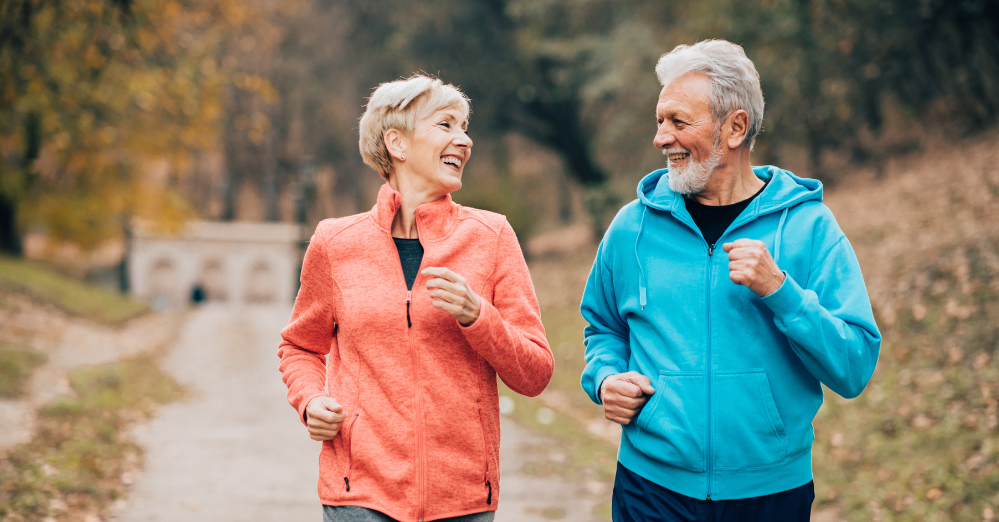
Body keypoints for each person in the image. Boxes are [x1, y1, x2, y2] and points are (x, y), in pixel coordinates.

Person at [579, 40, 881, 521]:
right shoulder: (631, 228)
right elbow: (603, 327)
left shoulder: (808, 228)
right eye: (659, 121)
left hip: (770, 495)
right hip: (650, 489)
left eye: (678, 122)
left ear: (735, 127)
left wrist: (781, 293)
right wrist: (605, 377)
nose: (661, 138)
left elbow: (854, 365)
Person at [278, 75, 553, 522]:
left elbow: (536, 373)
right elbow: (300, 346)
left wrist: (477, 317)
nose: (463, 140)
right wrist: (309, 400)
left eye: (465, 128)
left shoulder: (491, 237)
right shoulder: (335, 242)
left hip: (462, 500)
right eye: (446, 125)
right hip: (358, 494)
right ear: (397, 144)